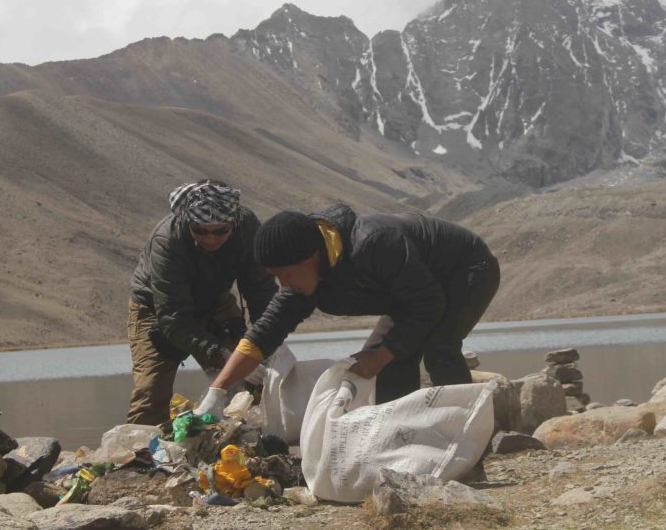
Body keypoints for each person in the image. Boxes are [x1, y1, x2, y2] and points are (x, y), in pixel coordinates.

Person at [194, 203, 500, 417]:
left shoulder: (373, 244)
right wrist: (217, 392)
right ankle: (400, 443)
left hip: (466, 269)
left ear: (310, 257)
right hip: (411, 291)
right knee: (388, 362)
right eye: (276, 276)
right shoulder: (303, 281)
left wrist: (382, 354)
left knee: (438, 348)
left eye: (286, 274)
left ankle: (468, 443)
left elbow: (427, 304)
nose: (283, 283)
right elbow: (262, 336)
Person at [126, 180, 277, 425]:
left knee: (252, 384)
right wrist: (225, 356)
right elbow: (173, 318)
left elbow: (261, 290)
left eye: (220, 231)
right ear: (187, 223)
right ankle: (143, 457)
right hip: (156, 309)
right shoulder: (167, 241)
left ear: (233, 224)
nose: (210, 239)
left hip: (216, 301)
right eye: (200, 231)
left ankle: (245, 447)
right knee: (151, 393)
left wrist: (268, 342)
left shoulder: (247, 228)